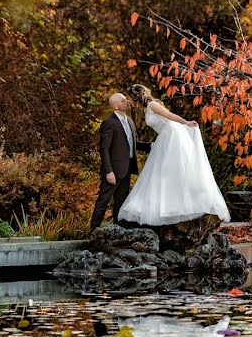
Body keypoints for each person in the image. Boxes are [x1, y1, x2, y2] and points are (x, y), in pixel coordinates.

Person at [118, 84, 230, 226]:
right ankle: (167, 204)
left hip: (173, 135)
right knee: (163, 172)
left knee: (171, 169)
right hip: (165, 137)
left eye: (130, 99)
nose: (129, 102)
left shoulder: (153, 105)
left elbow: (169, 116)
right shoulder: (146, 109)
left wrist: (186, 122)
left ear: (136, 97)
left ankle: (183, 203)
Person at [89, 93, 152, 231]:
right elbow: (104, 149)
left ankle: (119, 232)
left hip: (126, 169)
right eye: (123, 100)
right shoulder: (109, 123)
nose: (127, 101)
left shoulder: (129, 120)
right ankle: (93, 232)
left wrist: (152, 146)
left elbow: (134, 144)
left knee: (121, 202)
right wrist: (108, 171)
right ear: (116, 106)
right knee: (103, 201)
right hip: (113, 171)